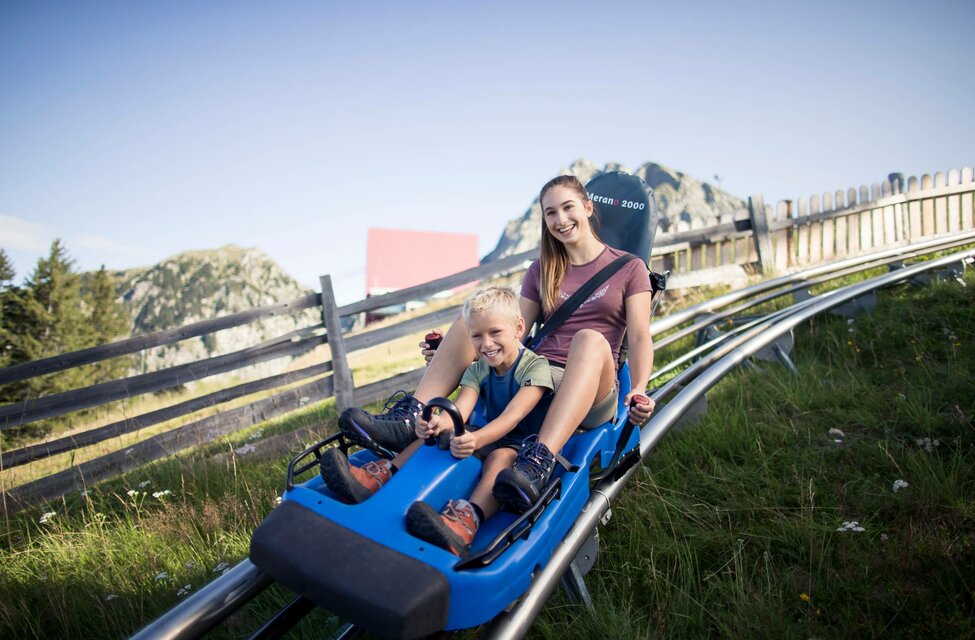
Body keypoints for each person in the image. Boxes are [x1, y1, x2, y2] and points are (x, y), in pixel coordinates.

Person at [337, 174, 655, 515]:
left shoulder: (629, 268)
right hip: (533, 378)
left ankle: (538, 461)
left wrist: (638, 389)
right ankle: (410, 417)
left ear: (588, 208)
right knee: (469, 321)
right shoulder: (543, 269)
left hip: (590, 386)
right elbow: (510, 330)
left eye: (568, 208)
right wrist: (459, 350)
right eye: (551, 213)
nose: (560, 220)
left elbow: (638, 336)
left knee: (589, 339)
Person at [320, 287, 553, 554]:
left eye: (495, 332)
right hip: (483, 431)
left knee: (500, 458)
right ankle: (382, 474)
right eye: (477, 336)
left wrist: (475, 439)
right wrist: (435, 423)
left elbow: (514, 416)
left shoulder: (536, 367)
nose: (486, 343)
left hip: (521, 446)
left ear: (519, 327)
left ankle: (467, 520)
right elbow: (462, 406)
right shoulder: (479, 369)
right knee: (437, 436)